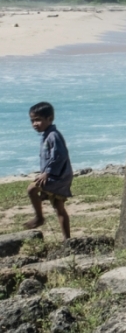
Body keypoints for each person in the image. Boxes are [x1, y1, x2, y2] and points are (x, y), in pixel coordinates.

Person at [26, 102, 73, 240]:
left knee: (31, 189)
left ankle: (39, 218)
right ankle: (67, 239)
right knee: (59, 208)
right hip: (59, 176)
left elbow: (60, 156)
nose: (35, 124)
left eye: (38, 120)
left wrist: (47, 172)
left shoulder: (53, 135)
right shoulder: (46, 135)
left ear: (50, 119)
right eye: (33, 120)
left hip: (59, 177)